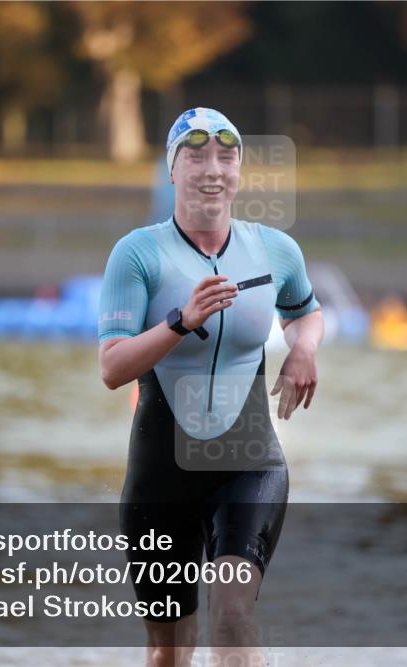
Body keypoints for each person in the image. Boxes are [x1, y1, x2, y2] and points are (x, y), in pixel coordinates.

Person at [98, 107, 324, 667]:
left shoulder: (275, 250)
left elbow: (306, 312)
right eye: (196, 157)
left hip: (248, 463)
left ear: (239, 171)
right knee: (170, 652)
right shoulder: (137, 253)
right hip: (161, 476)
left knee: (232, 613)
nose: (212, 170)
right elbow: (112, 368)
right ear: (172, 171)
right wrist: (180, 322)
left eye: (226, 157)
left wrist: (302, 349)